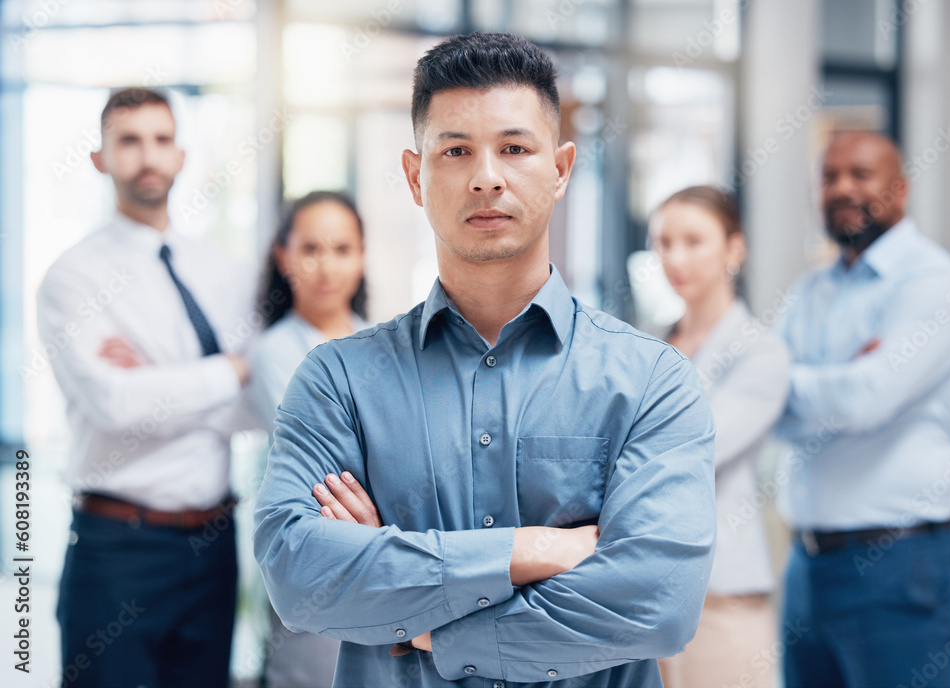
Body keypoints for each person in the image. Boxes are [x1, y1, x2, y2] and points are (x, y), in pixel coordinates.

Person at [253, 32, 717, 688]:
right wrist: (539, 549)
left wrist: (422, 620)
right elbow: (300, 576)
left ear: (560, 169)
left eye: (515, 148)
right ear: (416, 176)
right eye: (456, 150)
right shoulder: (338, 382)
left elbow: (657, 601)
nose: (486, 176)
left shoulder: (650, 382)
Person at [37, 87, 255, 687]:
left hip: (212, 546)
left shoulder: (224, 272)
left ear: (181, 156)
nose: (148, 156)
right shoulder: (73, 277)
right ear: (100, 158)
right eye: (129, 141)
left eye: (161, 140)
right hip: (117, 551)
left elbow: (254, 408)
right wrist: (227, 373)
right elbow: (113, 406)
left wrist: (158, 387)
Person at [774, 131, 950, 688]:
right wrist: (831, 382)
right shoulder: (811, 290)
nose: (842, 188)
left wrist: (809, 384)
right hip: (807, 567)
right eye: (829, 177)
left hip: (897, 567)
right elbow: (766, 398)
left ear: (900, 189)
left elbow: (867, 399)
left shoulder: (934, 283)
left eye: (860, 175)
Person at [648, 186, 790, 688]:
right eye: (663, 242)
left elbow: (691, 454)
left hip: (723, 595)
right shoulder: (648, 347)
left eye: (693, 241)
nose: (675, 257)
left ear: (735, 249)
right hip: (643, 595)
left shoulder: (762, 352)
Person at [249, 190, 369, 688]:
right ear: (284, 257)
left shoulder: (381, 341)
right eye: (311, 249)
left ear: (362, 257)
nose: (326, 267)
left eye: (342, 250)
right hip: (312, 565)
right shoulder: (273, 352)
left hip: (382, 569)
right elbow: (328, 461)